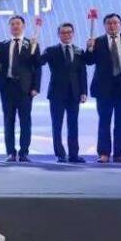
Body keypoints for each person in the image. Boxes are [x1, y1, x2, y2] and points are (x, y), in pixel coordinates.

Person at [84, 13, 121, 163]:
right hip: (103, 88)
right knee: (104, 121)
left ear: (120, 24)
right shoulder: (97, 41)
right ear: (104, 25)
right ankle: (104, 153)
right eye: (109, 23)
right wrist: (89, 49)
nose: (112, 25)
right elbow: (88, 61)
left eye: (115, 23)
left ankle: (120, 153)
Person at [36, 23, 87, 163]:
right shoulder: (51, 50)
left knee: (73, 125)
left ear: (73, 33)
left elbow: (82, 73)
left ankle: (74, 155)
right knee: (57, 125)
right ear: (59, 35)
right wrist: (34, 47)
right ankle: (60, 154)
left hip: (74, 93)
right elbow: (39, 62)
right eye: (63, 32)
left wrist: (84, 91)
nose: (66, 35)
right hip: (56, 93)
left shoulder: (79, 51)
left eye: (69, 32)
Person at [0, 16, 40, 162]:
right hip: (7, 87)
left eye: (18, 24)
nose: (15, 26)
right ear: (9, 27)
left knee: (25, 121)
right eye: (12, 24)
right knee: (9, 121)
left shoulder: (32, 44)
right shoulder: (2, 45)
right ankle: (10, 152)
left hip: (25, 89)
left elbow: (37, 67)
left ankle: (24, 152)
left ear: (23, 26)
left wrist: (35, 87)